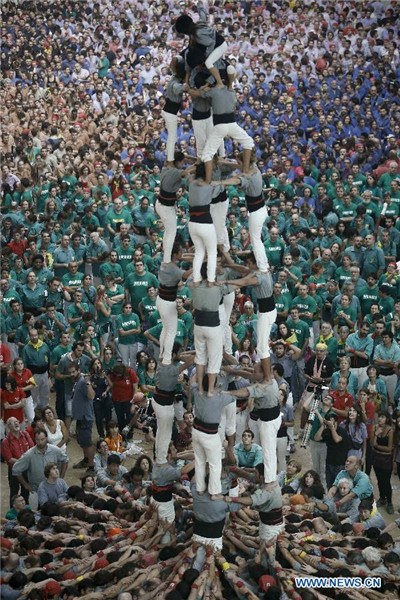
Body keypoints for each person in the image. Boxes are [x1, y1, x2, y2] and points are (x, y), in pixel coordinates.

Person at [224, 253, 276, 382]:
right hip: (264, 311)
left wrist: (225, 282)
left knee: (262, 348)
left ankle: (268, 377)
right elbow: (242, 269)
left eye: (249, 262)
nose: (247, 265)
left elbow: (244, 281)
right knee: (261, 347)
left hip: (266, 313)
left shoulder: (259, 277)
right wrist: (227, 264)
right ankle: (266, 373)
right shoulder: (259, 271)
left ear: (255, 263)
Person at [191, 375, 237, 498]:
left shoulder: (197, 392)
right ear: (215, 384)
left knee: (200, 461)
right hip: (210, 434)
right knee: (215, 464)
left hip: (196, 431)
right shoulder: (219, 397)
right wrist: (220, 391)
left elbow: (192, 382)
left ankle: (200, 489)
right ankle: (214, 492)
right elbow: (234, 397)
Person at [12, 428, 68, 495]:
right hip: (37, 490)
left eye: (42, 439)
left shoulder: (55, 450)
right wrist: (26, 485)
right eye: (37, 440)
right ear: (34, 440)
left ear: (46, 438)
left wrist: (61, 478)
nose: (40, 442)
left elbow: (65, 460)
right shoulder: (29, 455)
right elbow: (16, 469)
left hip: (54, 487)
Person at [1, 417, 34, 505]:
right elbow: (9, 458)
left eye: (17, 421)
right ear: (9, 426)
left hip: (26, 469)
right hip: (14, 470)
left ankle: (25, 511)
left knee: (25, 490)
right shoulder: (5, 441)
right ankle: (13, 512)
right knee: (14, 492)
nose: (16, 424)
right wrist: (23, 463)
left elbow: (32, 449)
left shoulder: (26, 435)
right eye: (13, 423)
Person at [69, 361, 96, 471]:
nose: (71, 374)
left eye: (73, 372)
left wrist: (88, 382)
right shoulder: (77, 381)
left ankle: (91, 467)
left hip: (86, 417)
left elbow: (91, 395)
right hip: (80, 417)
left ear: (78, 371)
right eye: (70, 372)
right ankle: (86, 460)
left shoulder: (83, 382)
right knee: (83, 442)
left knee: (88, 443)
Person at [371, 411, 394, 515]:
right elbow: (372, 443)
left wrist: (377, 446)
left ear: (387, 419)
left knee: (386, 482)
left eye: (383, 417)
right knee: (379, 480)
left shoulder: (390, 430)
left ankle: (389, 502)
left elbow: (389, 449)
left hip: (386, 460)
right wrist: (375, 435)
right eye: (379, 416)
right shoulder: (375, 428)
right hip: (376, 459)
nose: (380, 419)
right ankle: (382, 498)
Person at [21, 328, 50, 411]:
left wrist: (49, 373)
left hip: (44, 373)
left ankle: (45, 407)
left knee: (45, 391)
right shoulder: (26, 348)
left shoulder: (44, 345)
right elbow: (25, 363)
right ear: (29, 336)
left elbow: (49, 358)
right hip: (33, 374)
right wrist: (26, 377)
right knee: (34, 393)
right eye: (32, 336)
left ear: (38, 335)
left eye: (35, 335)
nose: (34, 337)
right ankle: (34, 410)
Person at [107, 363, 139, 433]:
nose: (118, 376)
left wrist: (134, 402)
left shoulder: (130, 372)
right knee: (120, 418)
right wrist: (107, 377)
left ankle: (130, 437)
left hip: (129, 400)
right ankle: (121, 436)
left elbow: (135, 388)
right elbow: (111, 385)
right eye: (116, 374)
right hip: (117, 400)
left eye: (119, 374)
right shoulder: (113, 374)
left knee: (129, 418)